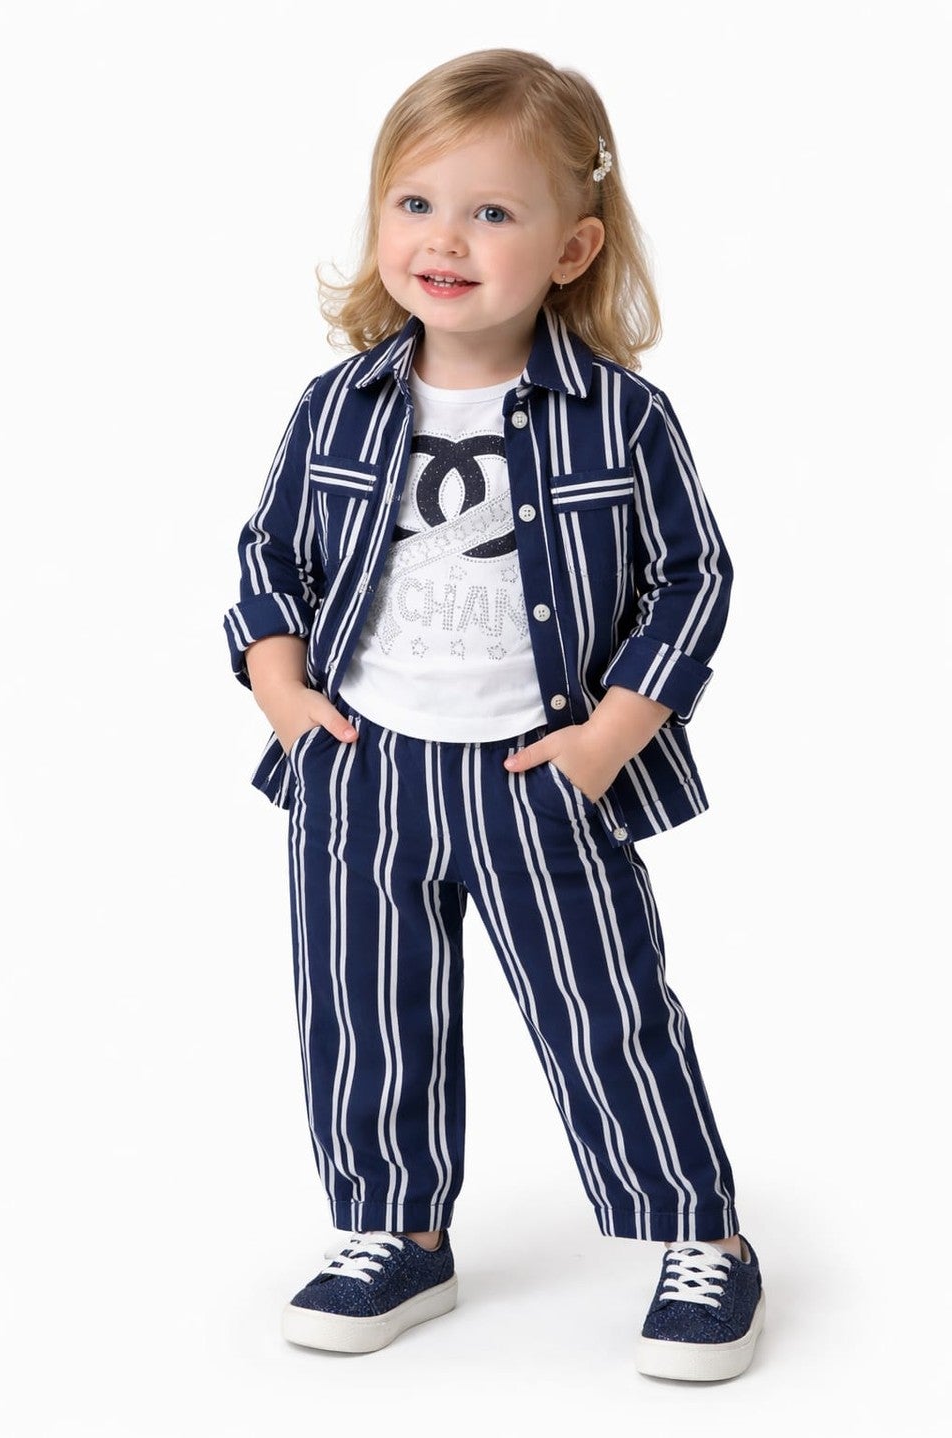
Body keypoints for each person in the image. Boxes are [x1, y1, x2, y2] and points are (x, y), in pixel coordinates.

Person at [222, 47, 763, 1383]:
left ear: (573, 247)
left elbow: (691, 577)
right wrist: (283, 693)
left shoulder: (618, 419)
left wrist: (609, 739)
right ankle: (394, 1227)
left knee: (603, 1008)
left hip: (540, 771)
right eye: (414, 205)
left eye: (492, 212)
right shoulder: (337, 406)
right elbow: (267, 558)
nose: (444, 240)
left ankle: (698, 1233)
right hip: (362, 765)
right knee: (363, 1006)